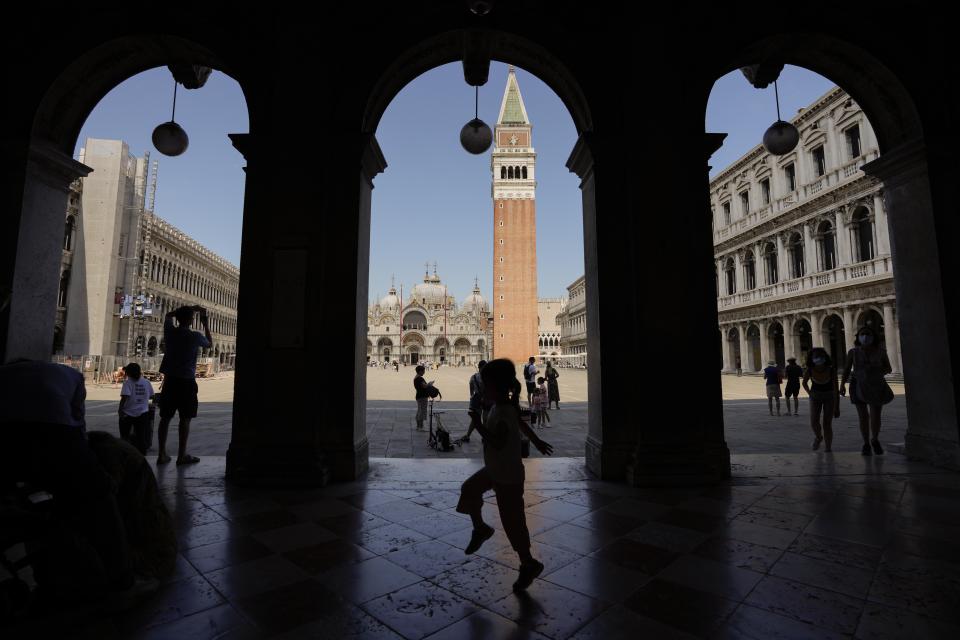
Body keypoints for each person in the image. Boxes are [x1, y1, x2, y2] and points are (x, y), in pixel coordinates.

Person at [0, 359, 157, 607]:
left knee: (17, 499)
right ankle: (123, 581)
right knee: (99, 495)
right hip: (55, 427)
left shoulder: (12, 372)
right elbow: (77, 426)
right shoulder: (74, 378)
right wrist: (94, 475)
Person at [455, 358, 554, 592]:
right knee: (469, 489)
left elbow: (498, 442)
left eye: (485, 384)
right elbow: (521, 423)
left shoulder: (502, 410)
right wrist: (537, 441)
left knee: (513, 522)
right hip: (496, 469)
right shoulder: (505, 406)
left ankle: (528, 562)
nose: (481, 389)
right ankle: (481, 528)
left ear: (496, 386)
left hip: (507, 475)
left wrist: (477, 424)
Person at [156, 305, 211, 465]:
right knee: (185, 419)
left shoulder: (170, 332)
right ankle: (181, 455)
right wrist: (205, 323)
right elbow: (209, 344)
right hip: (186, 381)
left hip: (170, 380)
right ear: (191, 320)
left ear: (178, 319)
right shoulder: (194, 336)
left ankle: (161, 454)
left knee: (165, 418)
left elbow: (167, 315)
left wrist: (184, 309)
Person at [840, 326, 893, 456]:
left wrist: (875, 370)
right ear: (858, 337)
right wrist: (842, 384)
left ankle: (874, 439)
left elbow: (889, 368)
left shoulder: (881, 351)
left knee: (876, 414)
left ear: (873, 337)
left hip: (876, 384)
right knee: (863, 416)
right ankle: (866, 443)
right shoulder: (853, 352)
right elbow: (847, 369)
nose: (865, 336)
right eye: (862, 334)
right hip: (857, 384)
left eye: (868, 334)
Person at [802, 348, 840, 452]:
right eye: (816, 356)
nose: (818, 358)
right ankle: (819, 437)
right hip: (815, 396)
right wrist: (810, 393)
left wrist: (837, 407)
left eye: (820, 356)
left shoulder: (831, 370)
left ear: (825, 357)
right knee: (814, 421)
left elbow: (836, 389)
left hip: (829, 396)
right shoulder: (810, 370)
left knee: (827, 423)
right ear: (812, 358)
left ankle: (828, 448)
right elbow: (804, 383)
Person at [118, 362, 154, 455]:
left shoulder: (128, 382)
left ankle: (125, 455)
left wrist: (120, 410)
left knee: (125, 436)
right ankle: (142, 456)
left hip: (128, 413)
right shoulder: (146, 382)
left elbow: (124, 398)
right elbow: (151, 396)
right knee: (141, 436)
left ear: (129, 373)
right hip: (143, 413)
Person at [460, 360, 487, 443]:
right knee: (485, 419)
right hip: (487, 400)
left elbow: (471, 389)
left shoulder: (474, 377)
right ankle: (485, 436)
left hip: (477, 399)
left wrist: (472, 396)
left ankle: (468, 435)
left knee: (476, 419)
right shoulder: (489, 377)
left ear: (478, 367)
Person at [413, 364, 429, 430]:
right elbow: (424, 386)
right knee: (422, 411)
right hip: (422, 396)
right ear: (420, 371)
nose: (424, 372)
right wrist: (429, 384)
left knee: (419, 411)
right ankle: (420, 427)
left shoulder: (416, 377)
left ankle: (418, 426)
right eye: (423, 371)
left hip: (419, 395)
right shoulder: (419, 378)